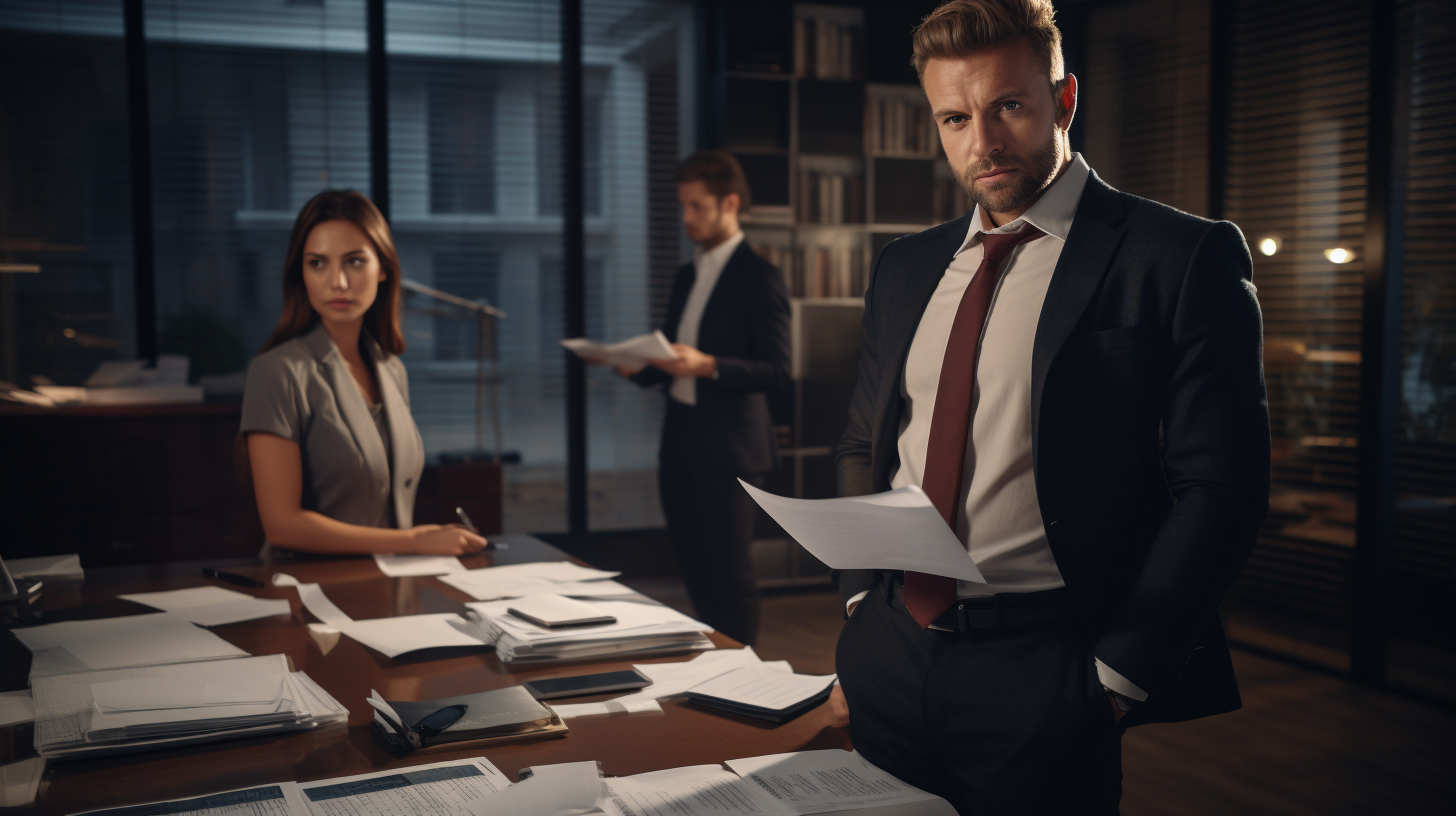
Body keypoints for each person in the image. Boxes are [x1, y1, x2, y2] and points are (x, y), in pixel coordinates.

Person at [827, 1, 1270, 813]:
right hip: (890, 649)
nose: (982, 143)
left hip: (1046, 667)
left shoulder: (1177, 257)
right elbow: (866, 441)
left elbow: (1223, 486)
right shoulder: (905, 266)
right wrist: (862, 607)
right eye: (955, 118)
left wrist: (1113, 681)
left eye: (1009, 107)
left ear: (1064, 101)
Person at [240, 190, 488, 556]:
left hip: (390, 584)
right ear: (301, 273)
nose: (338, 281)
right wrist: (415, 541)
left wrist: (425, 541)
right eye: (317, 263)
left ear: (383, 268)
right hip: (310, 589)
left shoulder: (391, 369)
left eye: (354, 261)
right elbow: (282, 525)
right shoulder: (276, 372)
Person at [616, 151, 792, 646]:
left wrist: (710, 365)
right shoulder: (686, 275)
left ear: (729, 203)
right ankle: (715, 667)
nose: (686, 218)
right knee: (693, 568)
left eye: (696, 207)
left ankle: (744, 678)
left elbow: (779, 371)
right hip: (681, 439)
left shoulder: (759, 276)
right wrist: (633, 366)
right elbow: (675, 355)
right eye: (683, 207)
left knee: (729, 575)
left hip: (731, 449)